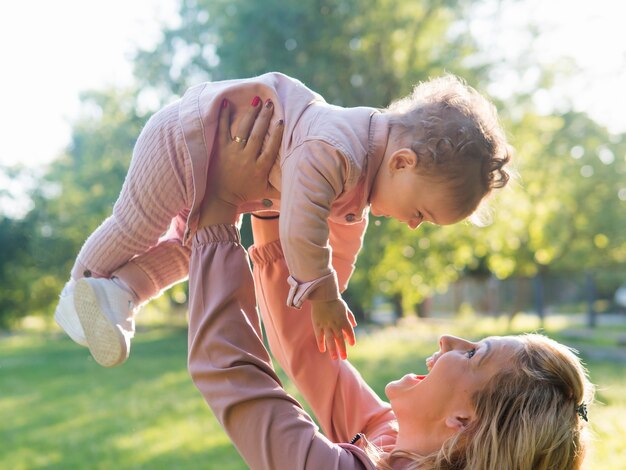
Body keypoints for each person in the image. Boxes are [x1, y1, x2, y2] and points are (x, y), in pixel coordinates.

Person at [187, 112, 594, 469]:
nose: (449, 339)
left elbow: (229, 370)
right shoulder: (393, 437)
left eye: (473, 354)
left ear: (463, 421)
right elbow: (310, 354)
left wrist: (218, 210)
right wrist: (274, 206)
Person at [55, 71, 513, 367]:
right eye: (421, 214)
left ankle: (119, 294)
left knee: (192, 252)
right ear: (402, 162)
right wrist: (324, 294)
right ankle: (80, 284)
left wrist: (335, 298)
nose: (413, 225)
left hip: (213, 178)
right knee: (137, 224)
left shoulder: (362, 180)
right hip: (183, 141)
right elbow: (301, 222)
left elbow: (343, 241)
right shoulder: (337, 147)